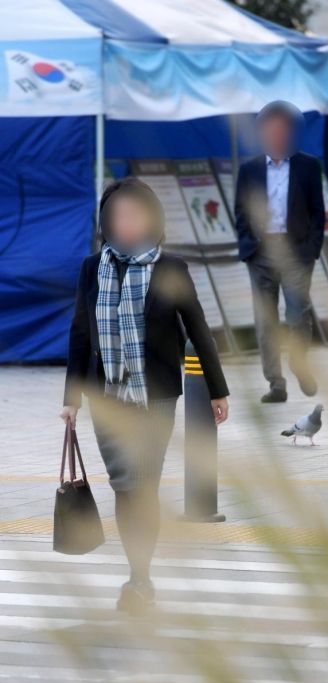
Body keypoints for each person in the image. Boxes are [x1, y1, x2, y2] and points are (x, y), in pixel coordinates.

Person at [60, 177, 229, 615]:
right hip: (106, 396)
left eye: (134, 214)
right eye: (117, 215)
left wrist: (217, 389)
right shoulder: (92, 268)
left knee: (142, 483)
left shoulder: (171, 268)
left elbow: (198, 328)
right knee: (124, 485)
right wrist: (71, 398)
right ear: (106, 222)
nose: (126, 222)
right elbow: (80, 333)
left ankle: (139, 578)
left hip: (156, 395)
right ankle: (139, 574)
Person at [235, 100, 325, 403]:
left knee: (298, 314)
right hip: (261, 253)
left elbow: (318, 212)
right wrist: (248, 247)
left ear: (290, 132)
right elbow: (241, 211)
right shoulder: (249, 170)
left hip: (296, 252)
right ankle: (275, 383)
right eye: (271, 129)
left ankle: (299, 362)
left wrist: (311, 249)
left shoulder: (308, 166)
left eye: (282, 129)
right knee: (266, 322)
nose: (276, 134)